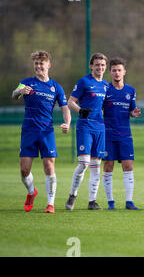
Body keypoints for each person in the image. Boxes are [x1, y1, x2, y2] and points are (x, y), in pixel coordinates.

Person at [11, 50, 71, 213]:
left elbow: (65, 108)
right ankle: (31, 192)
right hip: (29, 130)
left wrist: (67, 123)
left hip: (46, 131)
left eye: (41, 63)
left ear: (48, 65)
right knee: (24, 170)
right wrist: (20, 92)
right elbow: (14, 94)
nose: (38, 66)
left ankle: (50, 204)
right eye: (36, 63)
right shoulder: (26, 82)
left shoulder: (55, 87)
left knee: (49, 167)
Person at [65, 53, 109, 210]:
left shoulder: (106, 85)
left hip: (100, 128)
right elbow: (70, 102)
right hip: (85, 126)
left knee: (96, 165)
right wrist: (80, 110)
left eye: (103, 65)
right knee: (83, 164)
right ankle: (72, 195)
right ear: (91, 66)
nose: (100, 67)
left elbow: (105, 107)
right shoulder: (84, 82)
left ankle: (92, 201)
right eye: (97, 65)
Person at [102, 57, 141, 210]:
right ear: (110, 72)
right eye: (114, 70)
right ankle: (110, 202)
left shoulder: (130, 90)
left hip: (125, 134)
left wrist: (134, 112)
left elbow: (132, 110)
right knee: (108, 166)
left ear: (124, 71)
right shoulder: (106, 89)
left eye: (119, 70)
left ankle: (129, 202)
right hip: (108, 133)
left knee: (128, 165)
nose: (117, 73)